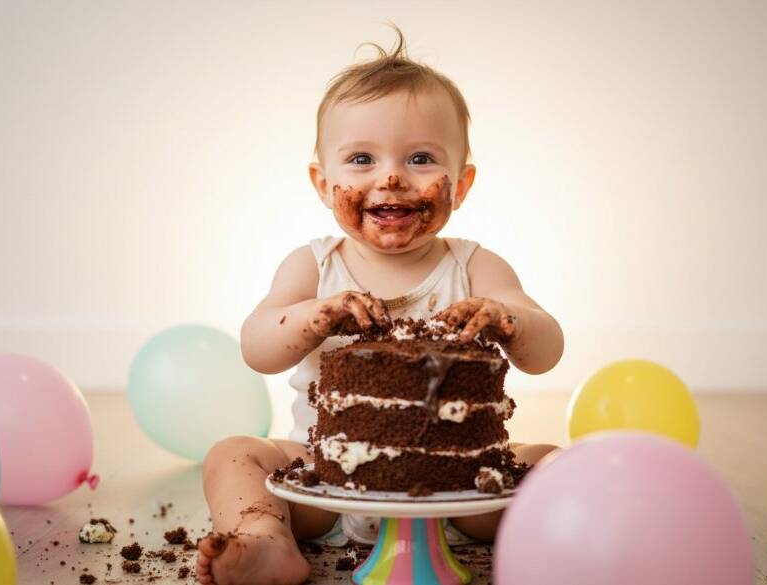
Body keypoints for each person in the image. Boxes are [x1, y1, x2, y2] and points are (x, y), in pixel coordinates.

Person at [196, 26, 564, 585]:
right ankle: (267, 542)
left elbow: (547, 349)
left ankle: (555, 538)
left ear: (461, 186)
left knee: (555, 462)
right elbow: (257, 346)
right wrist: (312, 316)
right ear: (323, 183)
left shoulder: (474, 268)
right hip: (325, 480)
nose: (390, 177)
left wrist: (508, 319)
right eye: (361, 158)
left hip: (463, 488)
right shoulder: (313, 267)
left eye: (420, 158)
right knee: (232, 454)